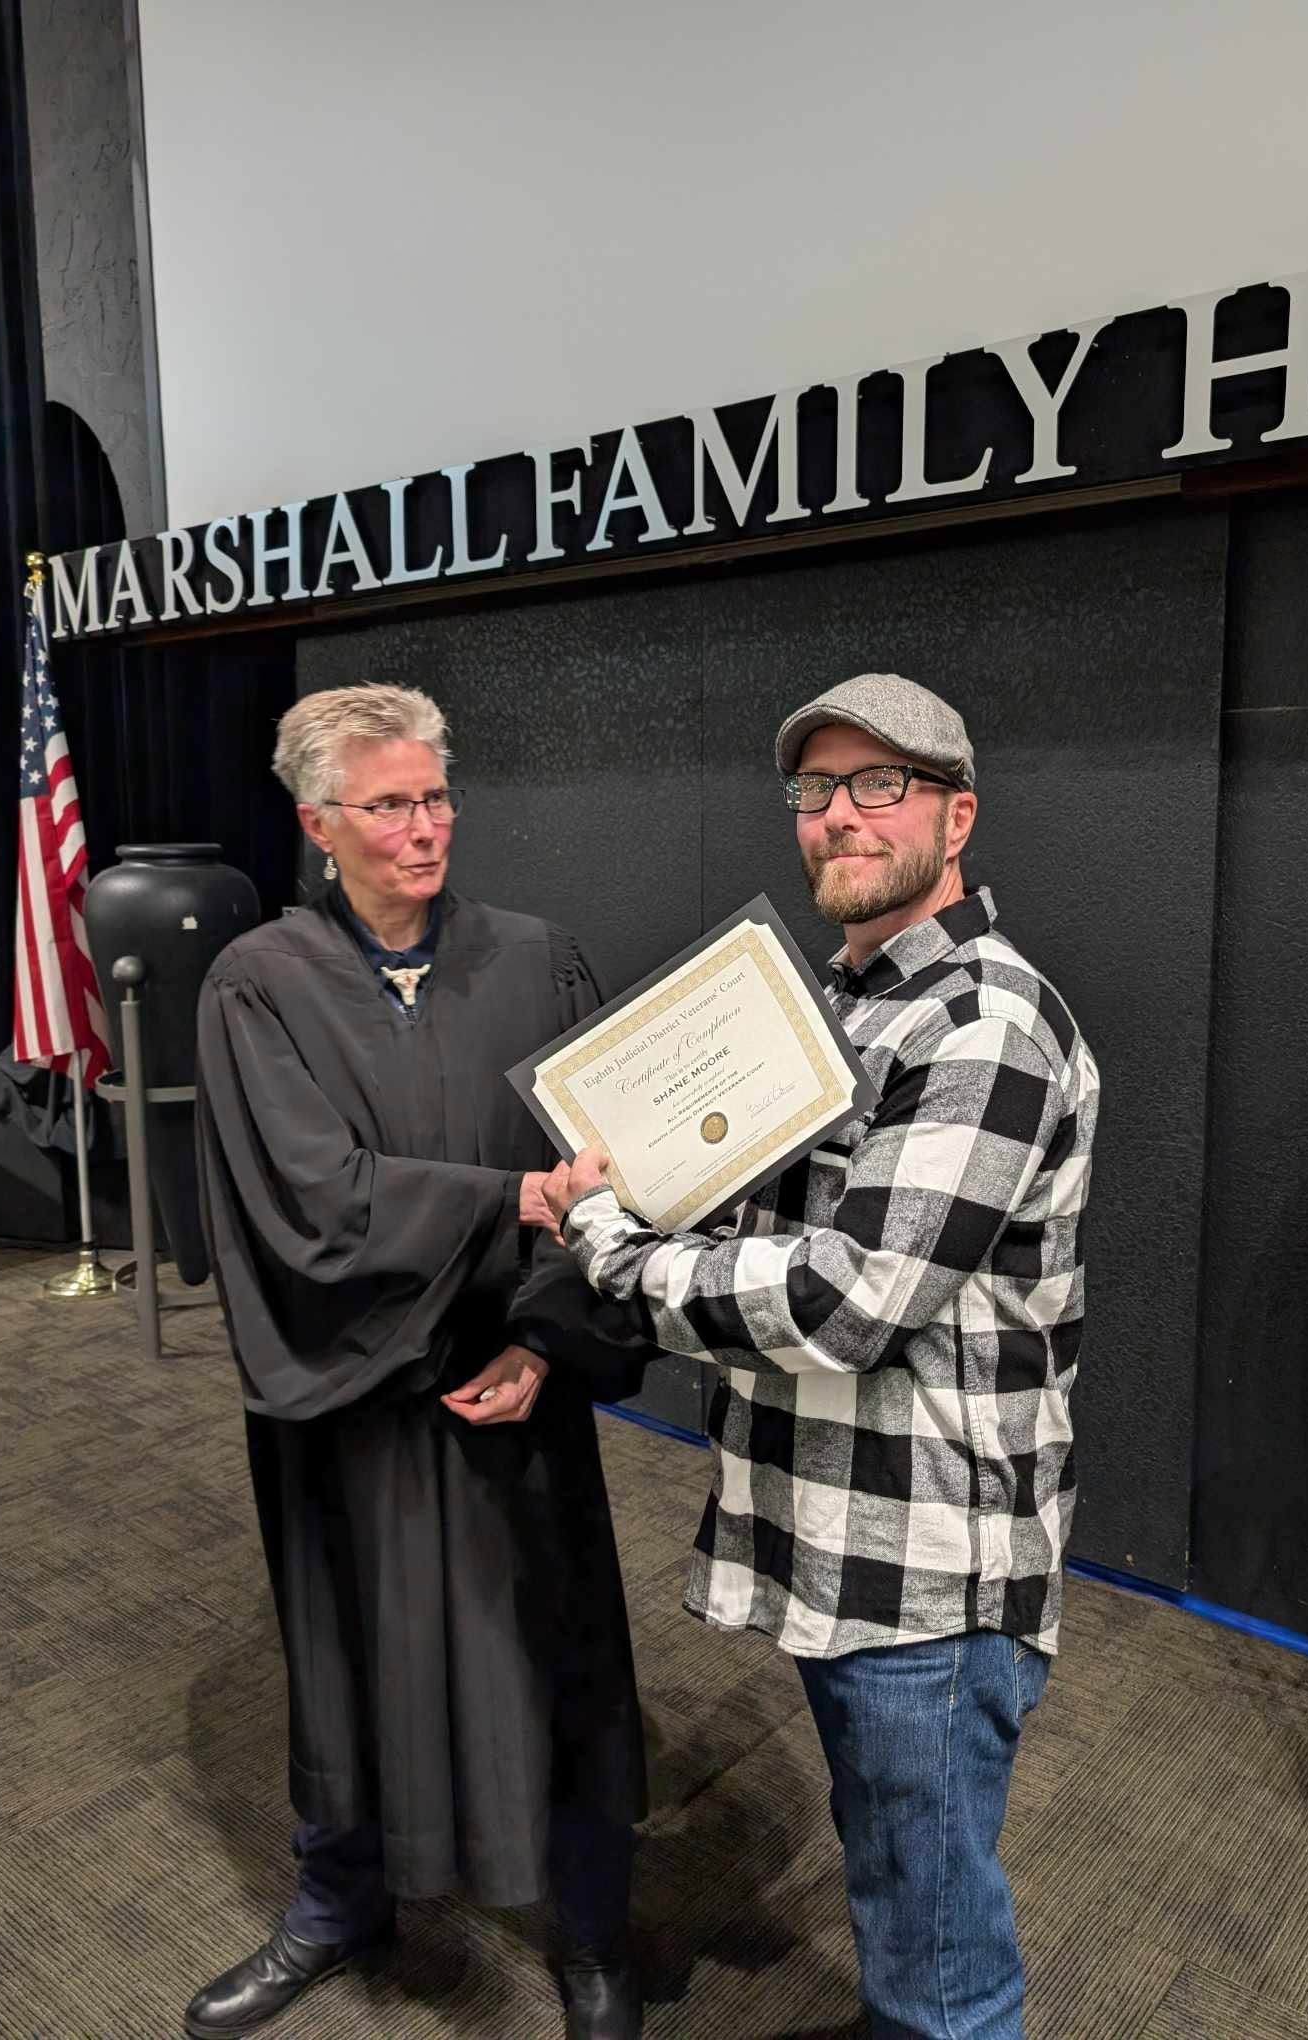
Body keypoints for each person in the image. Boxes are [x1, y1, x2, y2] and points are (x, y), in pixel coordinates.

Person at [542, 673, 1099, 2040]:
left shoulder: (986, 1025)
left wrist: (612, 1239)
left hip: (927, 1582)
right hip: (842, 1546)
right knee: (903, 1892)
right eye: (815, 791)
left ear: (956, 816)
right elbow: (767, 1223)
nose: (838, 817)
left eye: (878, 787)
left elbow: (850, 1302)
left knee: (945, 1961)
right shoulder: (842, 1010)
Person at [185, 683, 648, 2040]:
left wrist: (543, 1342)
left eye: (438, 796)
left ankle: (595, 1932)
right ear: (321, 823)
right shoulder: (257, 987)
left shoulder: (538, 959)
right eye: (390, 804)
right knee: (345, 1653)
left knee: (553, 1655)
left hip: (516, 1397)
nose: (426, 827)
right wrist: (512, 1204)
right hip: (356, 1406)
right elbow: (312, 1201)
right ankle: (339, 1904)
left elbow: (615, 1179)